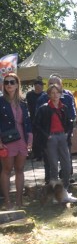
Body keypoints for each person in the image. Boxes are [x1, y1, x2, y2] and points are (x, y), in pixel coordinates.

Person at [34, 85, 77, 202]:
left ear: (60, 94)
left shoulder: (64, 107)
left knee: (67, 165)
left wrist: (67, 133)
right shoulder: (44, 108)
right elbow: (36, 124)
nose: (55, 95)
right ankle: (55, 195)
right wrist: (47, 135)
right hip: (51, 137)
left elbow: (70, 122)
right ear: (49, 94)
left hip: (62, 136)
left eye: (57, 92)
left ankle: (65, 191)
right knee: (53, 166)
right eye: (52, 93)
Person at [0, 73, 33, 209]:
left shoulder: (23, 102)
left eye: (12, 82)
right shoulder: (1, 101)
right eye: (6, 82)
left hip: (22, 140)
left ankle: (19, 202)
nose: (9, 85)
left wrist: (30, 139)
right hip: (7, 140)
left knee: (20, 170)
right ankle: (7, 202)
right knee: (6, 170)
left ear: (17, 84)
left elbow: (28, 123)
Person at [25, 77, 45, 161]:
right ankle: (36, 154)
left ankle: (43, 154)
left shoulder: (44, 95)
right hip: (33, 118)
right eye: (38, 86)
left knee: (43, 136)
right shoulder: (29, 95)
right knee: (35, 137)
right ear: (35, 86)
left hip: (43, 119)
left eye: (41, 86)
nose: (40, 88)